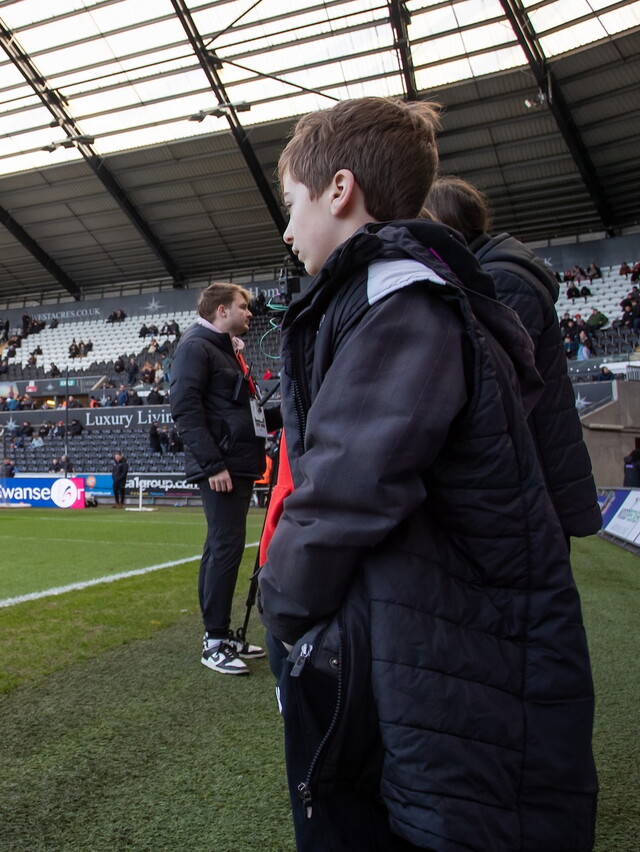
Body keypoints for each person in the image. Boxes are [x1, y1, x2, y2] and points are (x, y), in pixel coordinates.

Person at [257, 97, 597, 851]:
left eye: (291, 203)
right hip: (426, 619)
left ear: (339, 190)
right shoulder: (398, 292)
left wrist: (281, 602)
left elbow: (349, 484)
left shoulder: (401, 300)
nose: (286, 229)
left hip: (441, 633)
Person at [425, 175, 601, 541]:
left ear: (445, 228)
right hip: (532, 472)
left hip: (535, 476)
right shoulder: (495, 273)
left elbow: (494, 384)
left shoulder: (502, 282)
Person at [170, 283, 275, 676]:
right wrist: (213, 464)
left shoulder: (224, 349)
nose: (249, 313)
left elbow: (245, 413)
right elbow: (185, 409)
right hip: (224, 465)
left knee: (220, 547)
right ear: (221, 310)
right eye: (243, 306)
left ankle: (219, 634)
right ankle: (214, 640)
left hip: (236, 461)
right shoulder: (196, 347)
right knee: (225, 548)